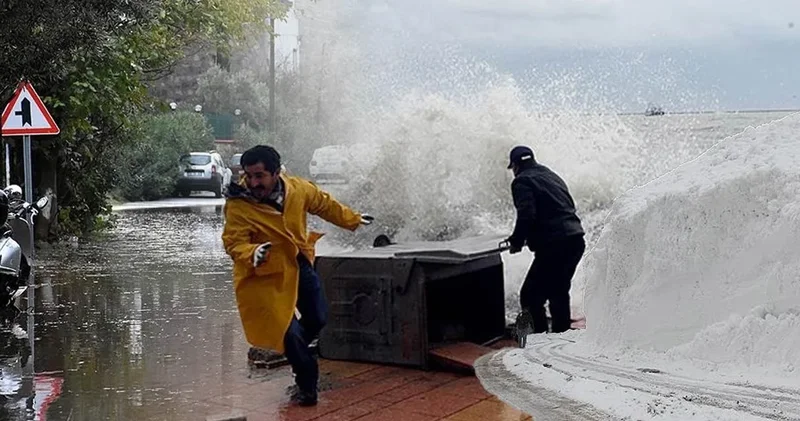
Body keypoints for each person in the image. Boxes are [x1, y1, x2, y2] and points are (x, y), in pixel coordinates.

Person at [221, 145, 373, 406]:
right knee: (288, 333)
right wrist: (252, 252)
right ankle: (306, 386)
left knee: (318, 316)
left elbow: (325, 204)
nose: (253, 182)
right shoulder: (239, 205)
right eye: (249, 175)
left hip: (298, 263)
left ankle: (296, 351)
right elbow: (233, 242)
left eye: (260, 176)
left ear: (276, 172)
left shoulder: (298, 189)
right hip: (264, 276)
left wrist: (353, 219)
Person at [504, 145, 586, 337]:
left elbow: (527, 214)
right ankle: (562, 339)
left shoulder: (521, 182)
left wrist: (516, 241)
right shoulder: (551, 175)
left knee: (530, 296)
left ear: (515, 166)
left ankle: (538, 341)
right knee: (558, 293)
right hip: (575, 240)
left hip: (555, 245)